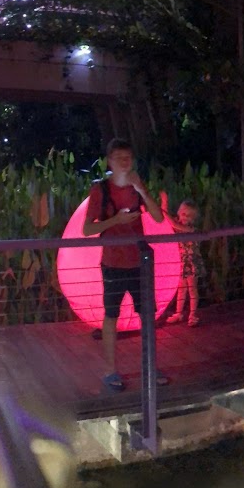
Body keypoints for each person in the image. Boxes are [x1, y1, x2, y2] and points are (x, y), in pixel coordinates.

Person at [76, 143, 173, 390]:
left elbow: (158, 217)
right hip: (113, 263)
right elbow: (87, 229)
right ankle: (110, 371)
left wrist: (141, 189)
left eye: (127, 157)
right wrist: (116, 220)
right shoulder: (100, 190)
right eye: (118, 157)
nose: (124, 161)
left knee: (147, 316)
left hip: (139, 261)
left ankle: (150, 366)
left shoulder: (136, 187)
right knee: (111, 316)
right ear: (109, 160)